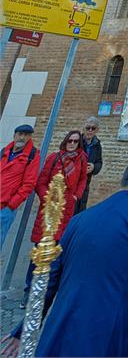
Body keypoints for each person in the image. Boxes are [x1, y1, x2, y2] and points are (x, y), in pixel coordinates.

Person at [4, 161, 128, 358]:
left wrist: (23, 330)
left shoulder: (80, 219)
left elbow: (49, 279)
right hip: (106, 329)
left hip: (64, 325)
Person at [22, 130, 88, 307]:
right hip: (49, 208)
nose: (72, 143)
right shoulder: (54, 157)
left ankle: (48, 291)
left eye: (76, 141)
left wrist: (76, 196)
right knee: (40, 249)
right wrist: (47, 197)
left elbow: (83, 180)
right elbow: (41, 181)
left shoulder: (81, 159)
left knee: (58, 250)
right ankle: (29, 290)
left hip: (66, 209)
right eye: (70, 140)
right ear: (65, 141)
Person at [0, 124, 40, 249]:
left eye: (26, 135)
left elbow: (29, 184)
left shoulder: (32, 156)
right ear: (14, 135)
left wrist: (11, 205)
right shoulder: (3, 151)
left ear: (30, 137)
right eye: (20, 134)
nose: (22, 138)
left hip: (5, 208)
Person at [76, 117, 103, 213]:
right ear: (84, 128)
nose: (90, 130)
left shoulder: (97, 144)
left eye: (93, 128)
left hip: (86, 182)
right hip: (73, 180)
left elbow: (99, 162)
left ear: (97, 130)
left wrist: (93, 167)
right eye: (88, 128)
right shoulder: (76, 141)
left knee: (81, 208)